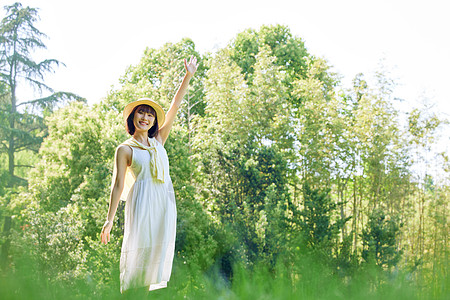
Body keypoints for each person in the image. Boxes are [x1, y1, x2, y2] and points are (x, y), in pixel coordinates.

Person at [100, 56, 198, 293]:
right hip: (142, 203)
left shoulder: (159, 141)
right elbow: (118, 185)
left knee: (155, 263)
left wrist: (188, 76)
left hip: (163, 203)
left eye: (150, 115)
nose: (145, 118)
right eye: (141, 113)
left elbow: (175, 105)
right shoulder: (125, 149)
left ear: (154, 120)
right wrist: (110, 219)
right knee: (139, 262)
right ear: (133, 117)